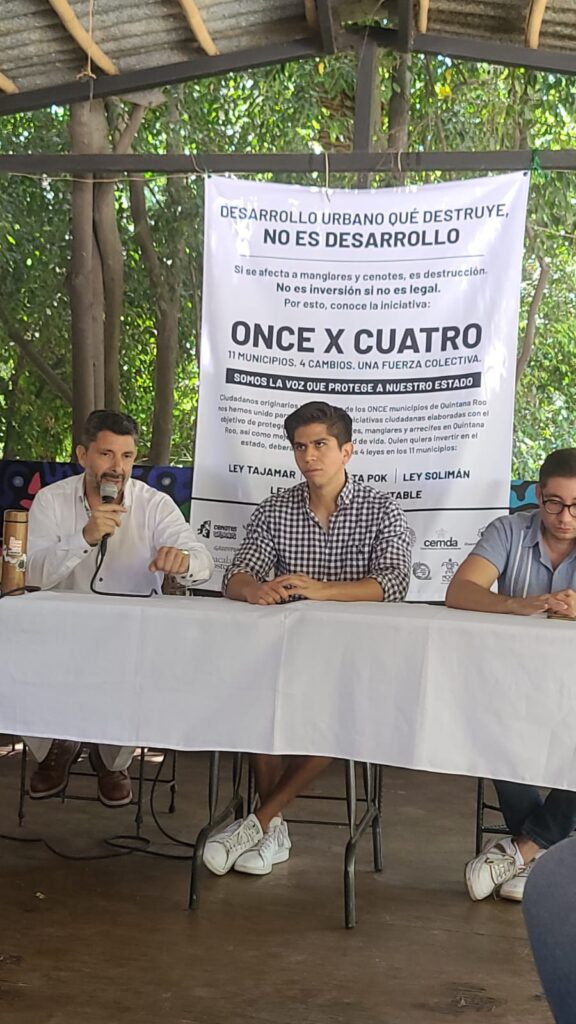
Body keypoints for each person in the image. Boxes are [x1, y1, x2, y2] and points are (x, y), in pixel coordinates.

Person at [203, 400, 411, 877]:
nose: (309, 456)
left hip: (358, 660)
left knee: (342, 715)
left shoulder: (382, 510)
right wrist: (253, 589)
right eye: (300, 447)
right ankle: (271, 828)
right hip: (287, 657)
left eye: (320, 444)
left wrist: (323, 590)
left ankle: (258, 822)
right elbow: (237, 574)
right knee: (256, 704)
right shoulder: (276, 509)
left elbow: (394, 582)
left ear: (347, 451)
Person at [25, 408, 213, 807]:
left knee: (152, 662)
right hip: (61, 632)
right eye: (106, 454)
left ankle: (112, 758)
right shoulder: (50, 500)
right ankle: (54, 746)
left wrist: (182, 561)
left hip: (131, 634)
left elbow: (203, 561)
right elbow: (32, 574)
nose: (118, 467)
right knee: (15, 653)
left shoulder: (154, 504)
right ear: (83, 455)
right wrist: (84, 537)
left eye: (127, 456)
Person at [446, 448, 576, 903]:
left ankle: (521, 850)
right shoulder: (509, 530)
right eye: (555, 503)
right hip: (514, 685)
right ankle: (541, 855)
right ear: (539, 495)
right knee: (490, 724)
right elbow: (460, 591)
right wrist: (516, 605)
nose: (565, 517)